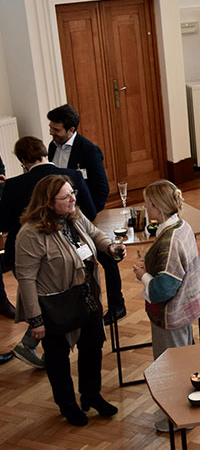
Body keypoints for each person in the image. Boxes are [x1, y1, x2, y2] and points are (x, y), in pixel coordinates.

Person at [15, 174, 122, 426]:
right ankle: (67, 405)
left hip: (85, 296)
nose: (73, 198)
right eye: (66, 197)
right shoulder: (30, 234)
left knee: (92, 345)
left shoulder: (74, 216)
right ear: (48, 203)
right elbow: (26, 280)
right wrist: (36, 321)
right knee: (58, 356)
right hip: (55, 304)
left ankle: (91, 395)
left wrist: (109, 247)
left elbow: (94, 233)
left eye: (72, 193)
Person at [0, 136, 96, 368]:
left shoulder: (13, 185)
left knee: (46, 300)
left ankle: (40, 346)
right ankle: (47, 347)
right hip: (68, 258)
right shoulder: (72, 176)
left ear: (23, 161)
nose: (71, 199)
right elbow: (91, 212)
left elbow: (2, 223)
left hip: (24, 258)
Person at [132, 179, 200, 433]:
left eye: (147, 203)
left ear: (157, 206)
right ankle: (190, 410)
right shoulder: (181, 225)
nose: (145, 208)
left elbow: (164, 289)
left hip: (171, 314)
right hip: (187, 307)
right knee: (184, 361)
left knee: (171, 367)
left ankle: (179, 419)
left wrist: (143, 275)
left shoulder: (169, 240)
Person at [46, 104, 125, 325]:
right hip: (60, 217)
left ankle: (117, 305)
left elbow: (101, 189)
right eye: (51, 128)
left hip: (84, 217)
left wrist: (88, 216)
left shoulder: (89, 150)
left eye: (56, 129)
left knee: (106, 258)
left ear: (71, 130)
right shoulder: (52, 147)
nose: (52, 133)